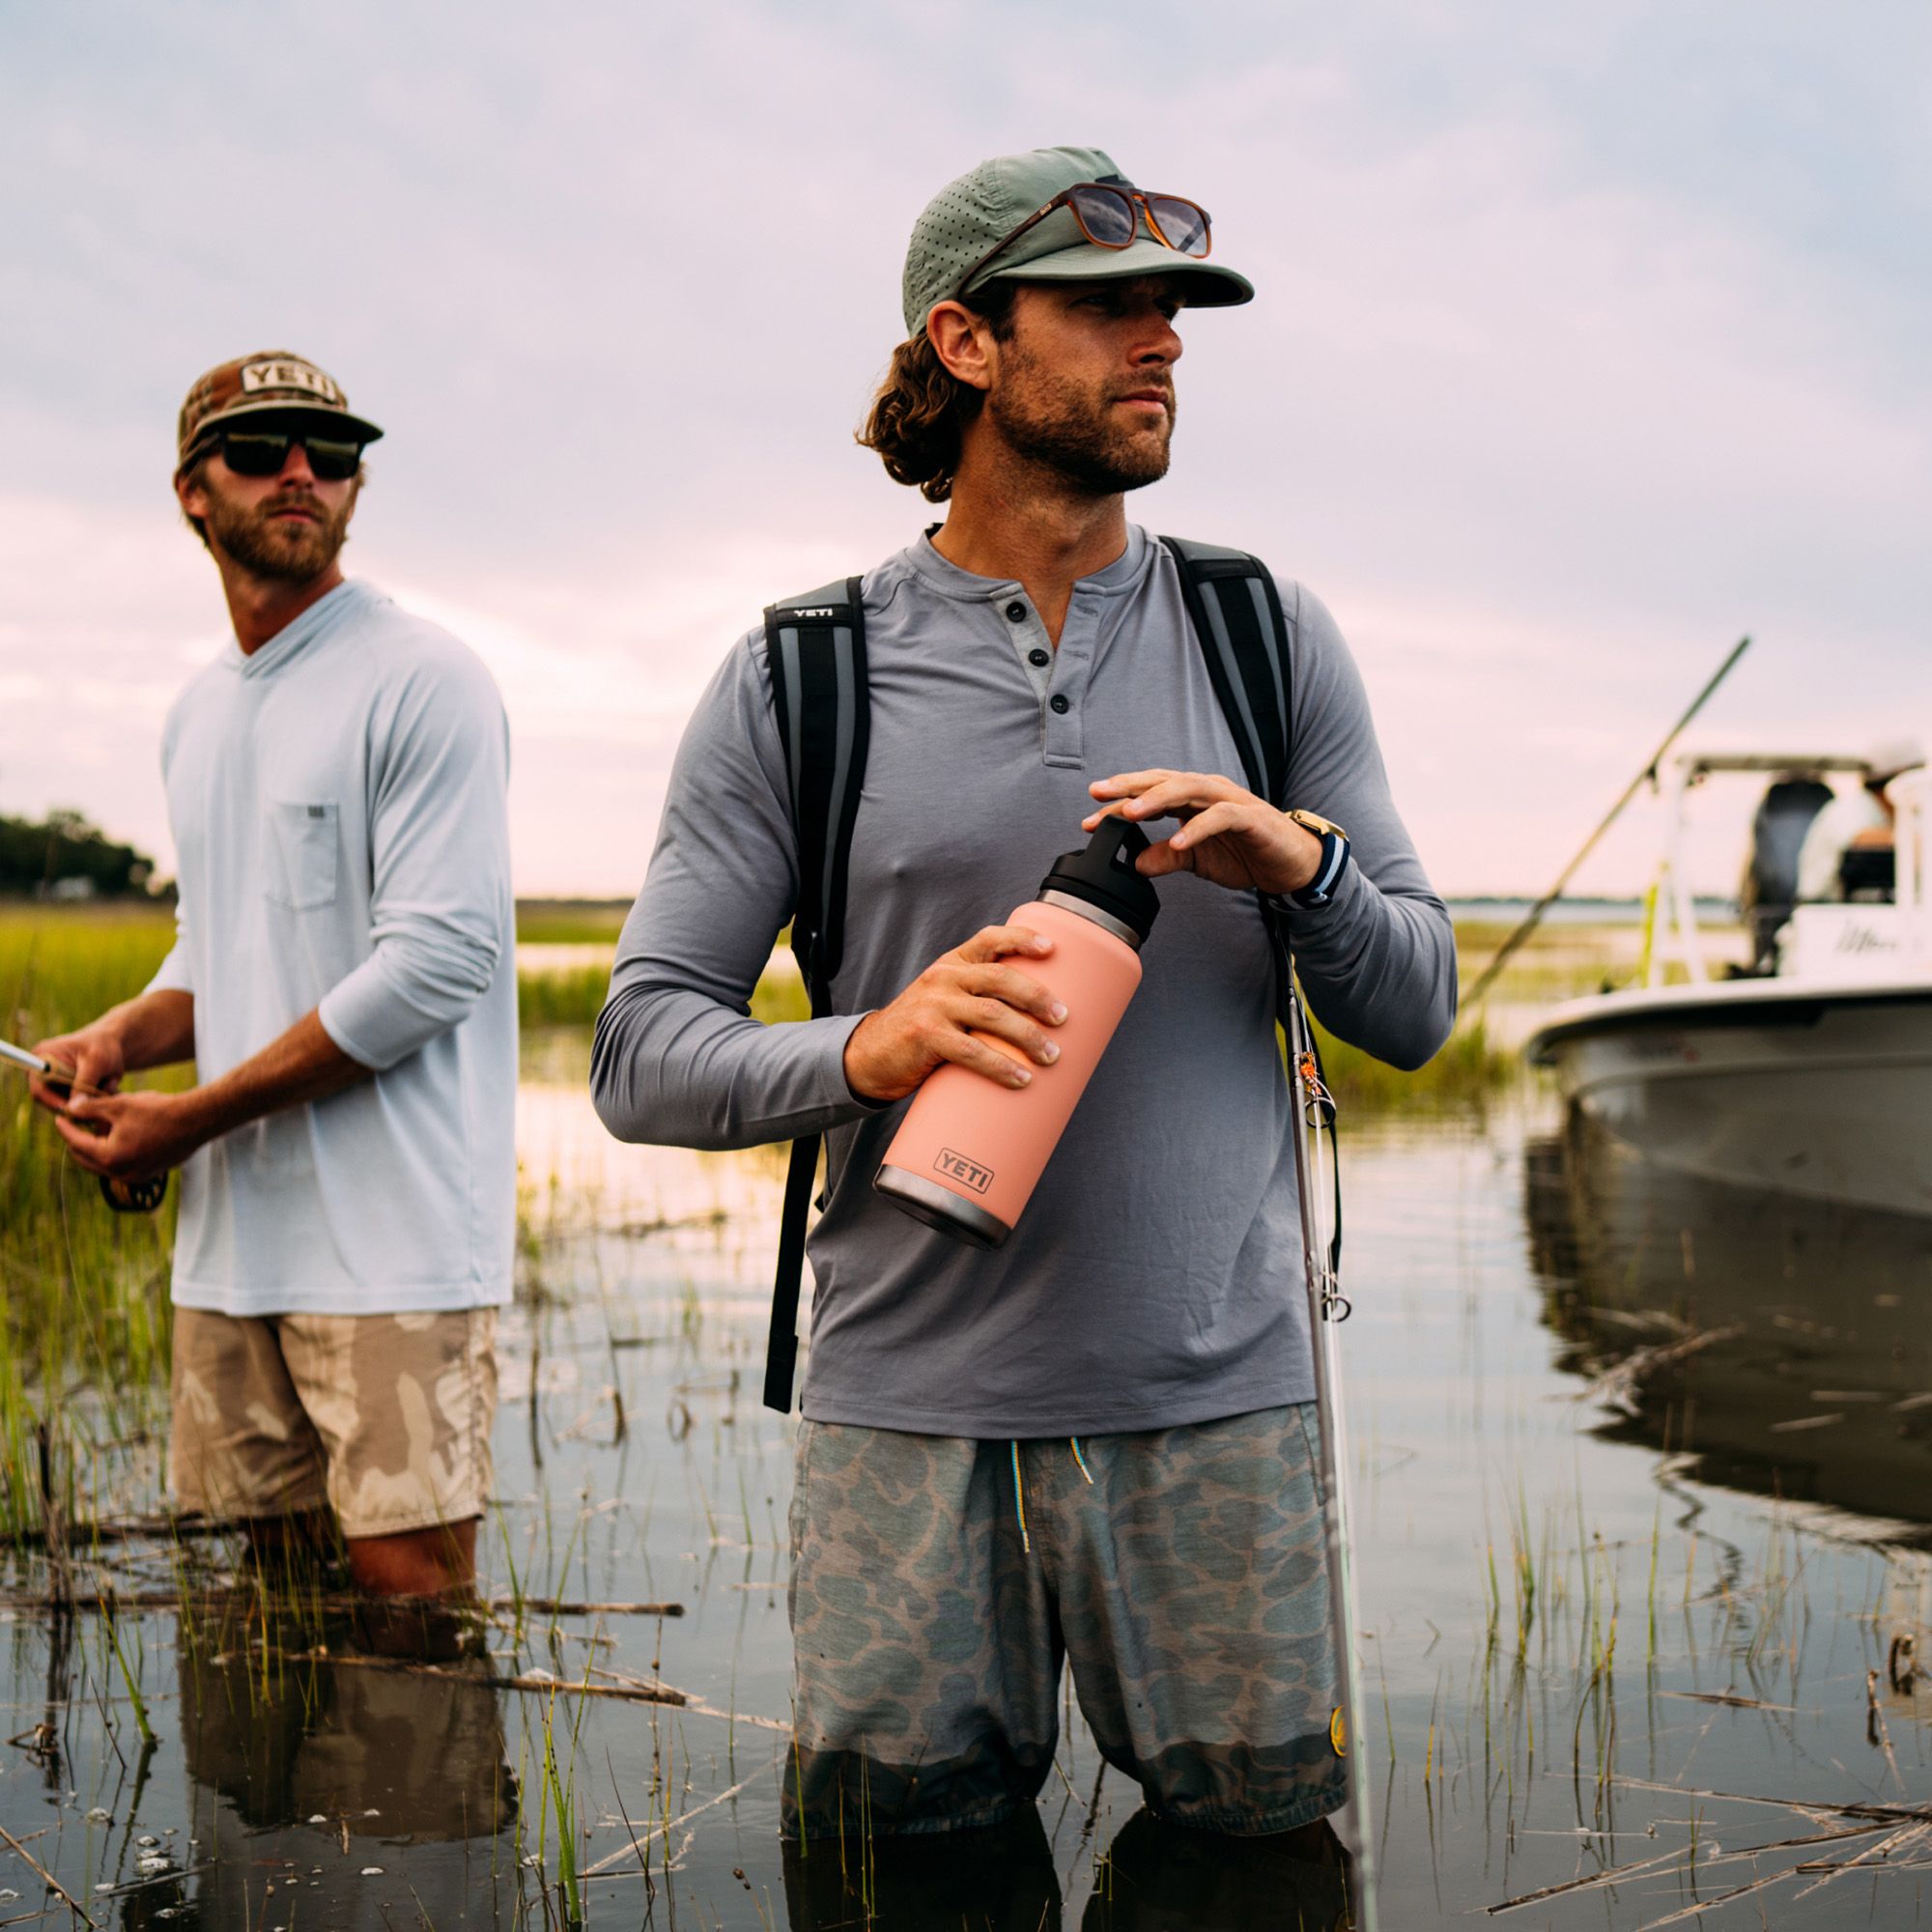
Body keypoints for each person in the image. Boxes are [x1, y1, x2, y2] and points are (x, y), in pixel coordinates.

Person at [591, 147, 1454, 1849]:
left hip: (1220, 1420)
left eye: (1177, 309)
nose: (1165, 343)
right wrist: (875, 1045)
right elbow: (640, 1051)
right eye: (1109, 305)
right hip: (903, 1426)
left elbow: (1416, 1006)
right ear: (967, 342)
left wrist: (1308, 870)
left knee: (1258, 1875)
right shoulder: (800, 673)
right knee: (895, 1878)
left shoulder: (1268, 633)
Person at [31, 352, 515, 1604]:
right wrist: (121, 1044)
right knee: (270, 1619)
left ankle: (407, 1813)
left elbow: (439, 962)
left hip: (398, 1253)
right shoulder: (198, 710)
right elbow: (222, 944)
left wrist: (184, 1119)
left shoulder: (423, 677)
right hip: (234, 1253)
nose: (301, 472)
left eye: (331, 450)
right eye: (261, 450)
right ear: (195, 491)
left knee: (411, 1612)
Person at [1794, 738, 1923, 906]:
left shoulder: (1891, 813)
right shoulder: (1852, 807)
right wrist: (1918, 842)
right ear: (1899, 779)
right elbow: (1860, 840)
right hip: (1824, 917)